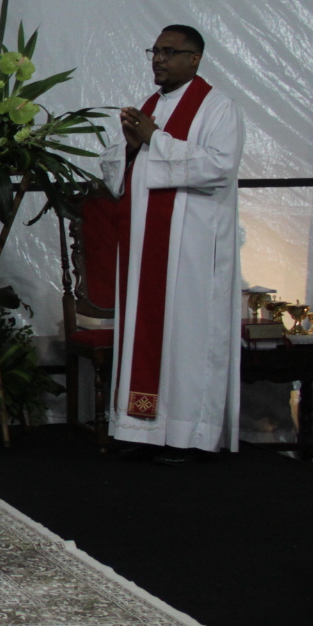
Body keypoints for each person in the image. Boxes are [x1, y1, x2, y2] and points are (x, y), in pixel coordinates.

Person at [102, 24, 243, 457]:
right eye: (155, 51)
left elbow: (219, 167)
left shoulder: (218, 108)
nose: (158, 60)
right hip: (145, 244)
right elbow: (116, 170)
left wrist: (154, 140)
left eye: (168, 52)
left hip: (191, 249)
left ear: (194, 58)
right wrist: (130, 148)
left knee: (187, 335)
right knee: (144, 330)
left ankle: (186, 433)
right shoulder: (149, 106)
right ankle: (139, 429)